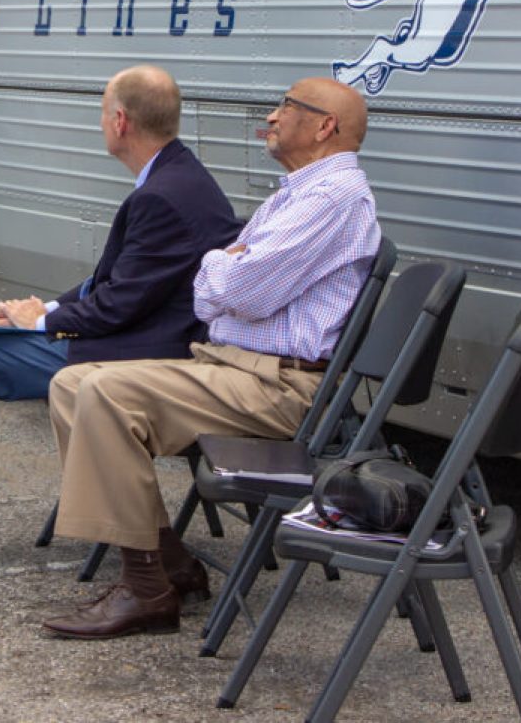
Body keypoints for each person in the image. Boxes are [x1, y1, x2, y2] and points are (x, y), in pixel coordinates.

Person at [0, 66, 241, 574]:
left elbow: (116, 307)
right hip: (139, 336)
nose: (100, 121)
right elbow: (116, 285)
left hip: (141, 354)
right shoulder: (178, 176)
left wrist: (37, 324)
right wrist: (41, 309)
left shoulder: (161, 196)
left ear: (120, 121)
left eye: (103, 111)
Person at [42, 77, 380, 640]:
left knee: (103, 393)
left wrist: (224, 264)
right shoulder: (300, 191)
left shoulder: (331, 197)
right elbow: (223, 283)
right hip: (237, 367)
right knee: (74, 383)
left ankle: (146, 593)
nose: (272, 116)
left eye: (286, 106)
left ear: (324, 126)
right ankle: (167, 561)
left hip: (281, 389)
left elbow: (237, 288)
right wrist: (227, 265)